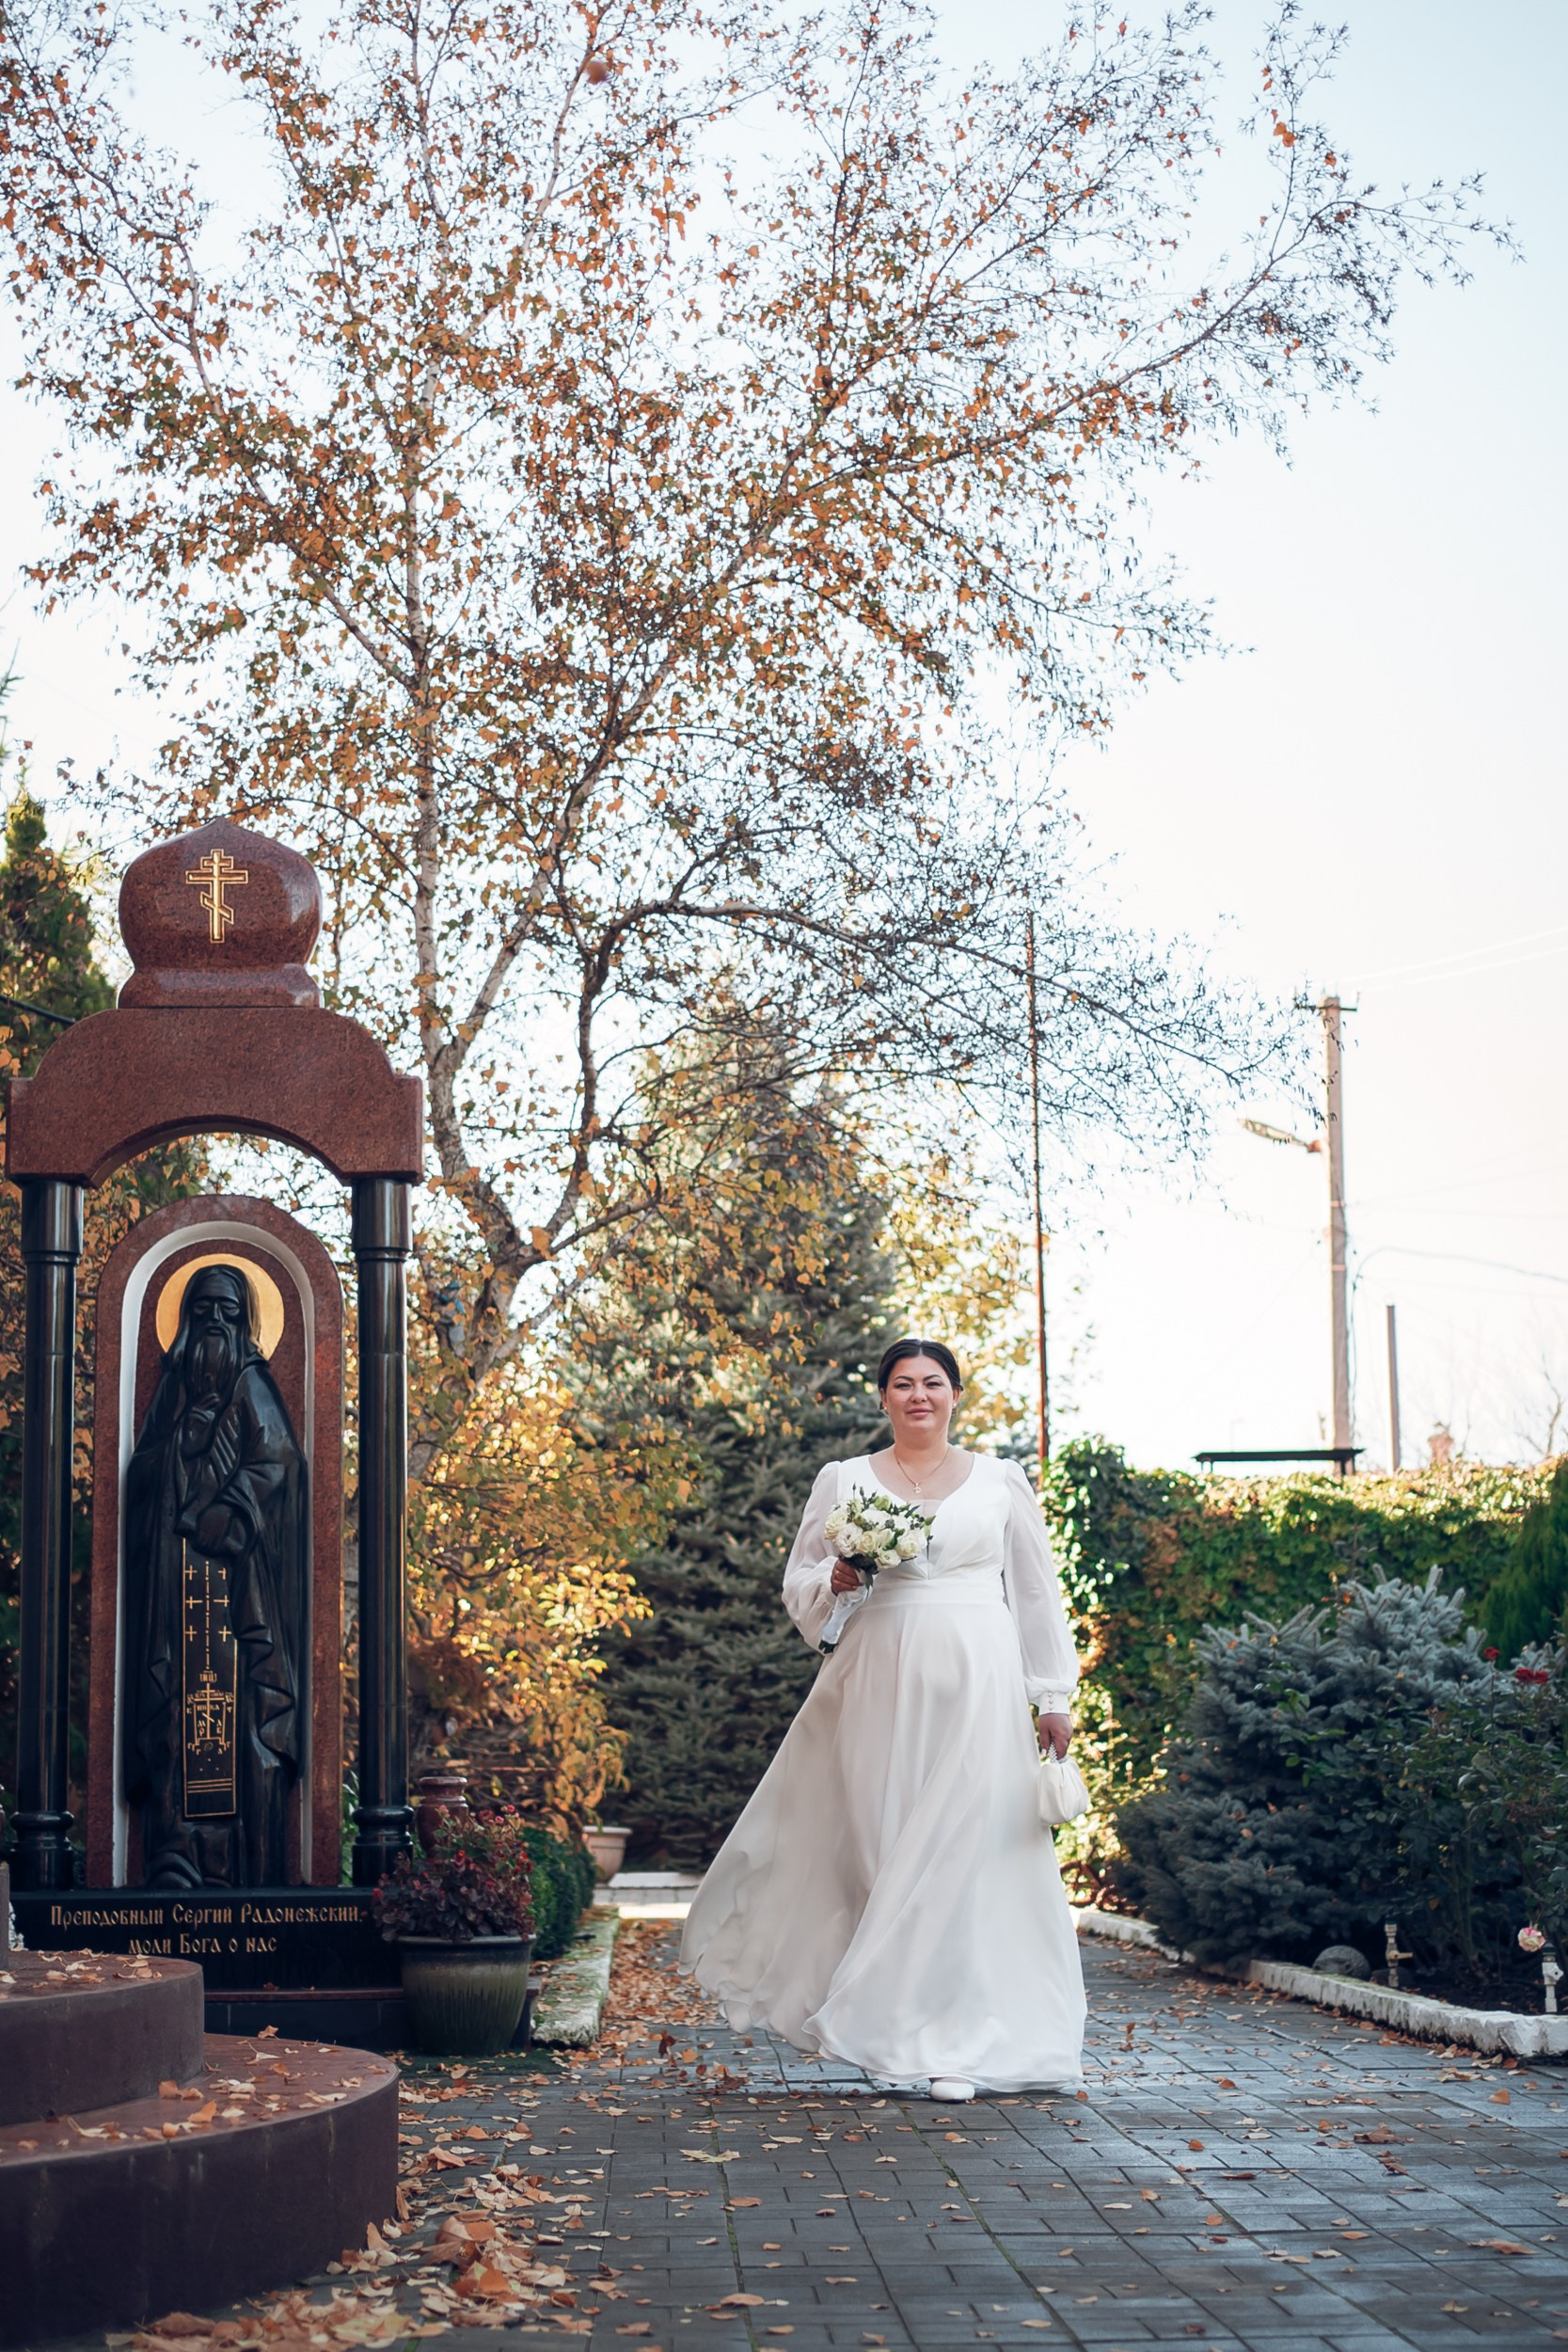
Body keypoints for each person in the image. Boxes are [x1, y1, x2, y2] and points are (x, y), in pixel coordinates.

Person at [681, 1339, 1085, 2098]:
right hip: (873, 1679)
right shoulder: (844, 1479)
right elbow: (801, 1578)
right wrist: (835, 1581)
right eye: (902, 1384)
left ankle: (957, 2045)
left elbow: (1035, 1592)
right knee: (878, 1849)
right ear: (882, 1398)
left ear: (955, 1394)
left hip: (978, 1681)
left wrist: (1052, 1694)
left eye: (932, 1382)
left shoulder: (1000, 1480)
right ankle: (893, 2028)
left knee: (964, 1854)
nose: (918, 1395)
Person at [123, 1263, 308, 1888]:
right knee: (178, 1706)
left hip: (238, 1584)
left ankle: (244, 1861)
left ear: (245, 1322)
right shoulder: (173, 1391)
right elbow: (140, 1473)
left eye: (228, 1313)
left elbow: (280, 1461)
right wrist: (181, 1443)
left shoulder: (254, 1384)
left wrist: (230, 1507)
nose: (214, 1323)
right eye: (202, 1311)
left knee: (241, 1711)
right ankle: (177, 1854)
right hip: (175, 1582)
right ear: (185, 1319)